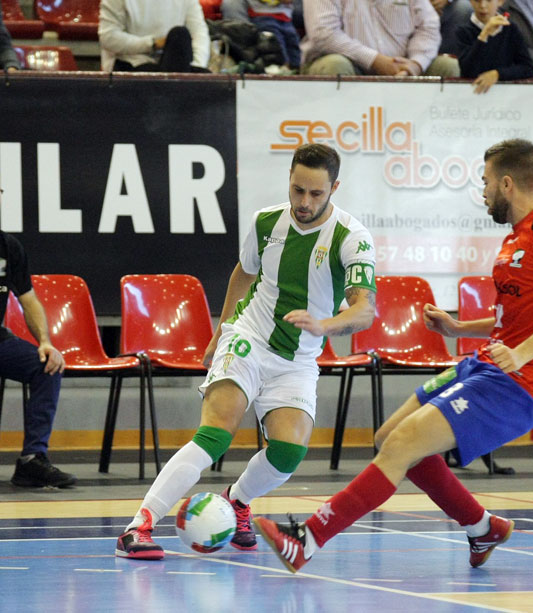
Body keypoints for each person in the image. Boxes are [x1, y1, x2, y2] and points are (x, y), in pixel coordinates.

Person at [253, 139, 533, 574]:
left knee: (403, 445)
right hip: (485, 366)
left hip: (522, 383)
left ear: (507, 183)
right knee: (388, 437)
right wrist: (458, 329)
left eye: (486, 182)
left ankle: (309, 540)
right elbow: (518, 317)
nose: (484, 191)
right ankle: (481, 526)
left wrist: (522, 355)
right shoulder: (517, 237)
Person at [114, 143, 377, 560]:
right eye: (297, 190)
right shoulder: (266, 221)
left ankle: (236, 502)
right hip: (248, 338)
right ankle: (139, 526)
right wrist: (221, 331)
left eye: (315, 194)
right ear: (289, 180)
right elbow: (244, 272)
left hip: (298, 359)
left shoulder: (351, 238)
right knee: (216, 434)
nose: (304, 202)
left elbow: (365, 310)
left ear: (334, 188)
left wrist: (324, 325)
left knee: (289, 451)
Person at [0, 187, 76, 488]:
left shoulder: (8, 246)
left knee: (45, 364)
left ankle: (32, 460)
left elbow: (28, 299)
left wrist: (45, 341)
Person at [300, 0, 460, 77]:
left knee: (447, 66)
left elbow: (428, 27)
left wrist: (415, 64)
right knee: (335, 64)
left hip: (402, 69)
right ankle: (337, 135)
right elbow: (323, 34)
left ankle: (442, 138)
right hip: (351, 66)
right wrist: (375, 60)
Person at [98, 0, 211, 72]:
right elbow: (108, 37)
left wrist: (197, 66)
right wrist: (152, 44)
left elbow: (199, 33)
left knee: (180, 35)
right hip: (133, 64)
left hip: (177, 64)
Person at [455, 0, 533, 94]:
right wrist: (483, 36)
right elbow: (468, 71)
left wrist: (497, 74)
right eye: (477, 1)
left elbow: (527, 68)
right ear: (471, 1)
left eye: (489, 1)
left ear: (500, 2)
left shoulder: (511, 29)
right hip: (472, 93)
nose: (483, 6)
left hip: (506, 95)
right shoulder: (462, 31)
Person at [218, 0, 301, 70]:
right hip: (262, 16)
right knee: (278, 55)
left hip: (286, 18)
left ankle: (296, 75)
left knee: (295, 55)